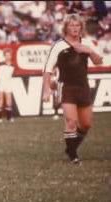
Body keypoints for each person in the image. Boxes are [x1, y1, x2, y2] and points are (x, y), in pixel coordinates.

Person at [42, 14, 103, 164]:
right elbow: (47, 69)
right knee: (71, 121)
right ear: (66, 28)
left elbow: (98, 61)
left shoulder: (87, 42)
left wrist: (88, 51)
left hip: (83, 86)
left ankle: (71, 148)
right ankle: (73, 156)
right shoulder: (58, 45)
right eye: (71, 25)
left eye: (77, 25)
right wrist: (46, 89)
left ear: (81, 27)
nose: (75, 28)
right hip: (66, 87)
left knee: (86, 124)